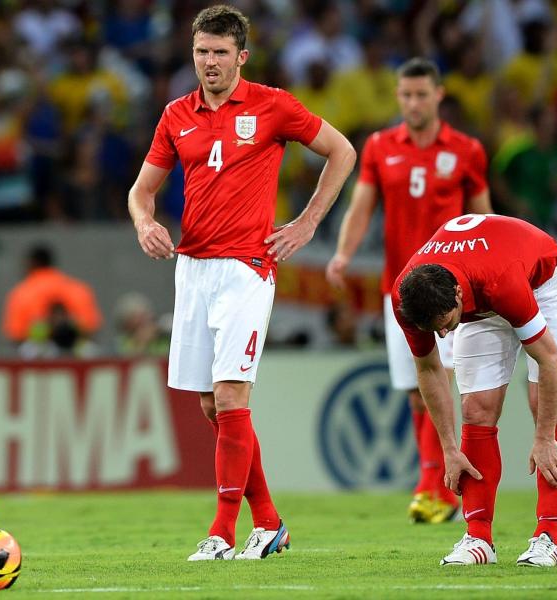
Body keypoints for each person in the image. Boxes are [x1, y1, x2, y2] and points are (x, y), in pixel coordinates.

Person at [127, 5, 356, 561]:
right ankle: (270, 522)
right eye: (202, 52)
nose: (209, 62)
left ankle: (222, 533)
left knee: (232, 395)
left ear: (241, 57)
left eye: (220, 53)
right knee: (212, 405)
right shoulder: (175, 114)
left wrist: (307, 223)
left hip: (247, 268)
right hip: (193, 268)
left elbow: (342, 151)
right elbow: (142, 190)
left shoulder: (272, 105)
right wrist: (144, 221)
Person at [326, 57, 492, 525]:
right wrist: (342, 254)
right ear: (398, 96)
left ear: (439, 95)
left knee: (455, 384)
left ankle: (435, 489)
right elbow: (361, 209)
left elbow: (483, 217)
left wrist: (485, 276)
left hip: (452, 291)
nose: (413, 103)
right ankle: (440, 487)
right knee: (418, 392)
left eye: (422, 94)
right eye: (406, 95)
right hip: (398, 288)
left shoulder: (467, 150)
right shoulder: (380, 147)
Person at [392, 213, 557, 567]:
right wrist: (448, 448)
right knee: (476, 410)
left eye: (446, 324)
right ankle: (478, 539)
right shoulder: (408, 300)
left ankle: (548, 539)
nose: (444, 335)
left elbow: (551, 361)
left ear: (459, 296)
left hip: (543, 282)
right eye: (436, 330)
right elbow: (430, 369)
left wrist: (543, 438)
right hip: (479, 292)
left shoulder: (501, 282)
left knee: (551, 410)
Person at [1, 243, 103, 354]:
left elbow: (16, 336)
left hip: (38, 362)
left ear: (32, 263)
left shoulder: (20, 293)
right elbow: (91, 329)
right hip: (76, 357)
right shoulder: (79, 288)